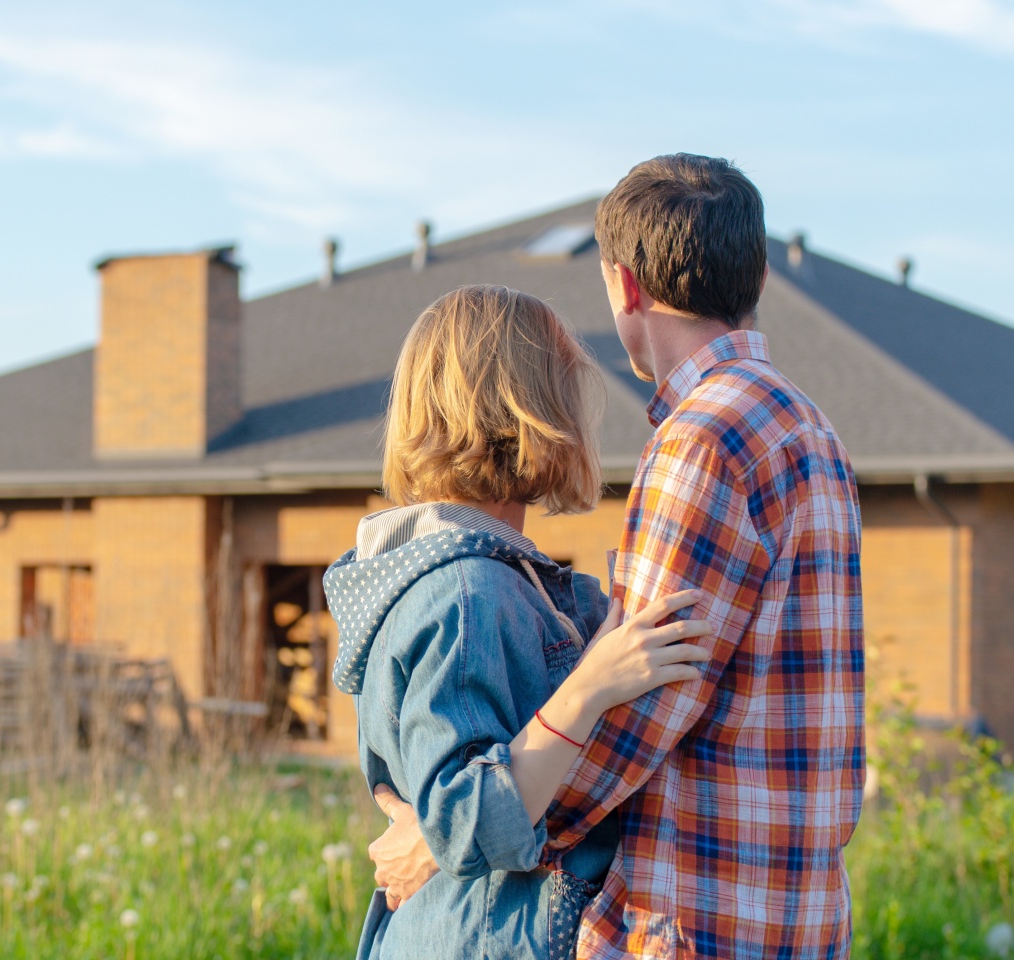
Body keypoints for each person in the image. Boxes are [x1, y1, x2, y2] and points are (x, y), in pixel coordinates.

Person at [370, 154, 867, 959]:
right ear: (760, 275)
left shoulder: (702, 439)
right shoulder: (809, 427)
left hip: (700, 908)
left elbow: (642, 707)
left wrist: (450, 833)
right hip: (795, 902)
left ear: (624, 285)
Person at [323, 283, 714, 960]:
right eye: (565, 390)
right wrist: (590, 687)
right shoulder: (467, 593)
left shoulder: (500, 577)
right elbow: (464, 817)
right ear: (529, 409)